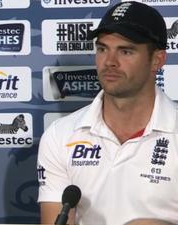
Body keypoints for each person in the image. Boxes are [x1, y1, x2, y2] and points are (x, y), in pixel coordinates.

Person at [37, 2, 177, 225]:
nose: (110, 62)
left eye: (125, 51)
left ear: (157, 60)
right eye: (102, 49)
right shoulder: (60, 136)